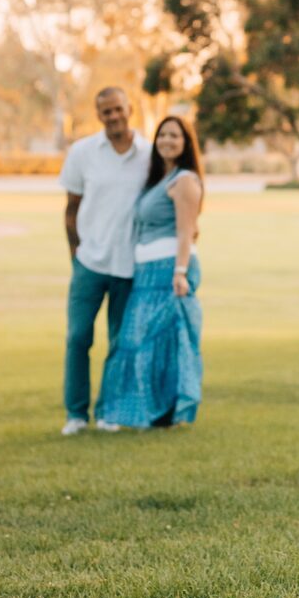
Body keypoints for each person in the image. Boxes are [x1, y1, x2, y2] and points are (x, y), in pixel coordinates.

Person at [98, 116, 204, 428]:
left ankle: (165, 413)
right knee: (140, 342)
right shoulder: (159, 178)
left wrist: (180, 272)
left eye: (175, 135)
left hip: (170, 270)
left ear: (185, 144)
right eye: (162, 135)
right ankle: (148, 411)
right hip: (146, 272)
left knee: (166, 341)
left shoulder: (185, 180)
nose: (167, 141)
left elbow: (187, 232)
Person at [59, 87, 151, 436]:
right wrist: (76, 255)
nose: (113, 117)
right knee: (78, 337)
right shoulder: (82, 152)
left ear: (129, 109)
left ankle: (109, 411)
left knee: (119, 342)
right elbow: (70, 210)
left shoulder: (148, 153)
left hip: (130, 266)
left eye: (117, 110)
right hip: (89, 264)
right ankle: (76, 414)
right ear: (99, 116)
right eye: (105, 112)